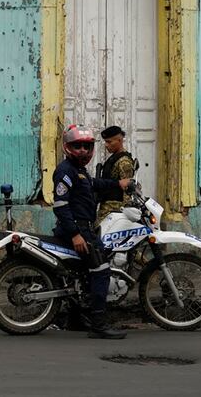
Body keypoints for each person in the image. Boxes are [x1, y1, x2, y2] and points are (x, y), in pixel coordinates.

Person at [53, 124, 132, 339]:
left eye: (86, 146)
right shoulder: (65, 171)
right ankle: (98, 324)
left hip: (83, 227)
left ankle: (78, 317)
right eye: (77, 146)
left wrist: (119, 183)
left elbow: (94, 184)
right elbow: (60, 205)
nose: (82, 151)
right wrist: (75, 234)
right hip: (78, 229)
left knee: (84, 274)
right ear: (68, 147)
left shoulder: (78, 171)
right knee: (101, 269)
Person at [96, 125, 135, 225]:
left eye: (109, 142)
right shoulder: (114, 158)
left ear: (119, 140)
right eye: (105, 142)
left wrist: (126, 214)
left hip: (114, 210)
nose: (106, 145)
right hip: (108, 208)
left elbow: (127, 189)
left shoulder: (124, 161)